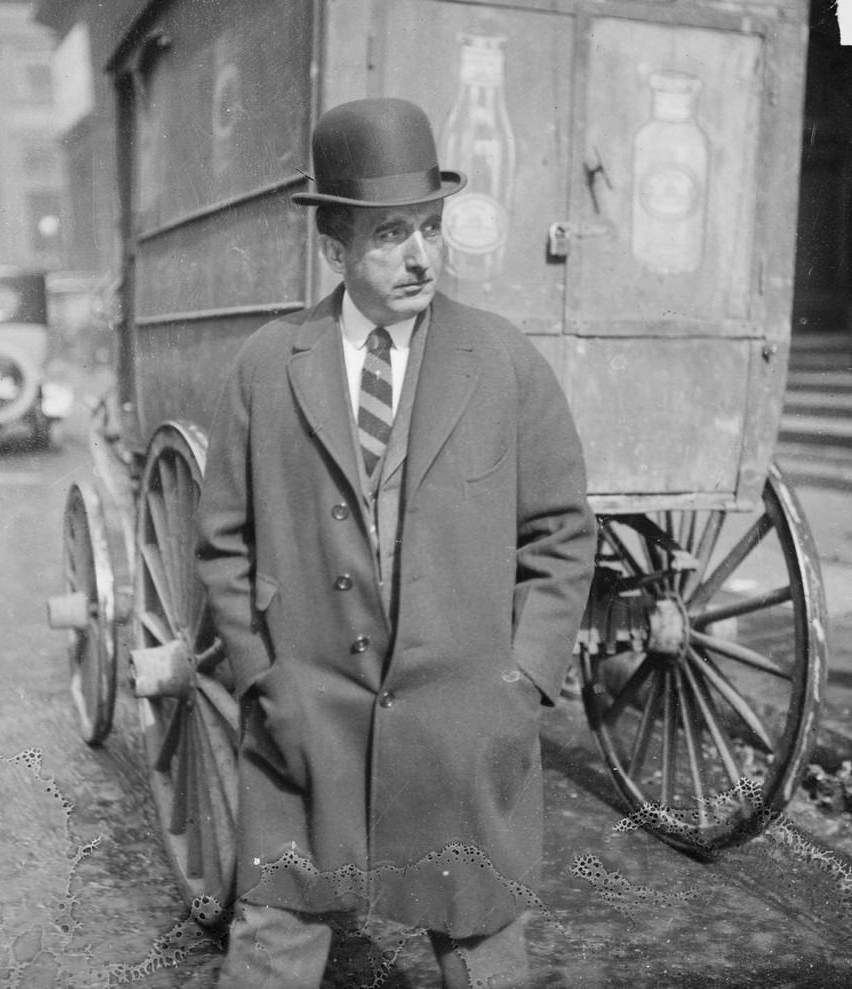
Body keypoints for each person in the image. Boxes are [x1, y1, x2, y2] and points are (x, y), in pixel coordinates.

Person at [196, 98, 597, 988]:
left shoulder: (501, 362)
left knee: (484, 946)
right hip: (310, 722)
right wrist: (266, 681)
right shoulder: (269, 365)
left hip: (463, 722)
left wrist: (521, 681)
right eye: (389, 235)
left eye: (429, 227)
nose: (420, 254)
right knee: (272, 939)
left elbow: (563, 534)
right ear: (333, 248)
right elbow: (222, 545)